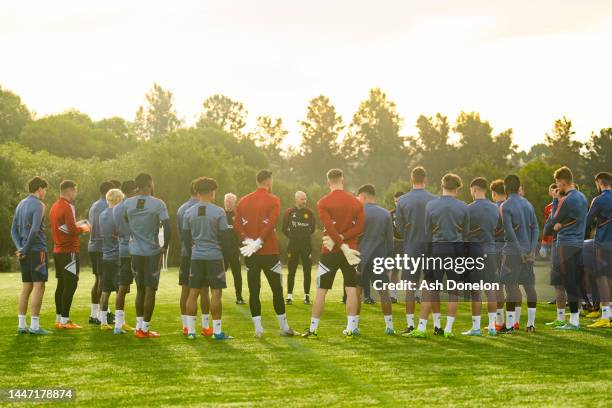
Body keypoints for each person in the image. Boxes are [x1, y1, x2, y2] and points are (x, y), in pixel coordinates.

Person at [234, 169, 298, 338]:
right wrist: (259, 241)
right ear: (269, 181)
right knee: (277, 289)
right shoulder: (274, 199)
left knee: (254, 290)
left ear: (257, 181)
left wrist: (247, 239)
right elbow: (271, 224)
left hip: (250, 253)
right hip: (269, 251)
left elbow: (236, 224)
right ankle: (284, 327)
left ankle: (258, 329)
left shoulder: (243, 200)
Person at [302, 169, 364, 338]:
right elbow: (359, 228)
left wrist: (339, 242)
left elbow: (329, 227)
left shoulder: (323, 202)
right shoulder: (356, 202)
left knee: (321, 290)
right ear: (342, 180)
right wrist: (344, 242)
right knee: (351, 289)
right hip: (351, 251)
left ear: (327, 182)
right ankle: (351, 328)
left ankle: (313, 329)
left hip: (330, 251)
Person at [406, 173, 469, 339]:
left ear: (442, 185)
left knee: (429, 289)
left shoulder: (431, 205)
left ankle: (421, 328)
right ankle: (448, 329)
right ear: (458, 187)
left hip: (436, 249)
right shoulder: (464, 206)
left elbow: (427, 232)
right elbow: (466, 233)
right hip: (457, 251)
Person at [182, 177, 234, 340]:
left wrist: (194, 255)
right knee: (216, 293)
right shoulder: (219, 212)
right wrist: (225, 260)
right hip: (214, 257)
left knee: (193, 293)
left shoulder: (188, 212)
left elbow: (186, 239)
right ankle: (217, 332)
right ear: (212, 192)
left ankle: (191, 331)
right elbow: (226, 240)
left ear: (197, 192)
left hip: (196, 258)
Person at [124, 173, 171, 338]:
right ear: (150, 184)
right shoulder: (158, 204)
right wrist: (164, 246)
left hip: (135, 251)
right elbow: (168, 227)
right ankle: (144, 329)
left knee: (140, 289)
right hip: (152, 252)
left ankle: (139, 326)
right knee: (151, 289)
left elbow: (125, 222)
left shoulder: (127, 203)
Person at [396, 167, 436, 335]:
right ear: (425, 179)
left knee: (410, 287)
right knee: (430, 286)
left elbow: (398, 228)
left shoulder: (403, 200)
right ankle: (430, 324)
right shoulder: (434, 199)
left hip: (411, 247)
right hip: (430, 246)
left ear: (411, 179)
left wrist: (408, 233)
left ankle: (410, 324)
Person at [500, 174, 539, 334]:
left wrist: (520, 251)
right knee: (529, 287)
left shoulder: (505, 205)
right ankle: (530, 324)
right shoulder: (528, 204)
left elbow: (509, 232)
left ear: (506, 188)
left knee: (511, 287)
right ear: (518, 187)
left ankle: (509, 326)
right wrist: (531, 250)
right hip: (528, 252)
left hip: (512, 252)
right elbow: (535, 228)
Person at [11, 176, 51, 335]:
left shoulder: (21, 204)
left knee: (26, 287)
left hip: (24, 251)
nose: (45, 193)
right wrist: (26, 250)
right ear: (40, 189)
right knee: (39, 286)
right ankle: (34, 326)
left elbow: (13, 230)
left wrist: (20, 248)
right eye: (45, 190)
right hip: (37, 250)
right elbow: (34, 230)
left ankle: (21, 325)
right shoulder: (40, 205)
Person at [356, 184, 395, 335]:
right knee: (384, 293)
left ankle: (353, 326)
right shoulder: (385, 214)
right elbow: (390, 241)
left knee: (357, 293)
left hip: (361, 258)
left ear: (364, 196)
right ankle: (389, 327)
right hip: (379, 258)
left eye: (359, 197)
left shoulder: (358, 212)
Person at [49, 180, 88, 329]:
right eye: (75, 190)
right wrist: (84, 228)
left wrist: (77, 225)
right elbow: (71, 229)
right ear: (70, 190)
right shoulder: (68, 206)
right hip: (69, 250)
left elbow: (62, 227)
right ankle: (65, 320)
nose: (76, 193)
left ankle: (59, 319)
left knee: (61, 284)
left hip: (58, 250)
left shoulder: (54, 206)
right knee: (71, 284)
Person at [464, 177, 500, 336]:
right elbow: (498, 229)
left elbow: (464, 232)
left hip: (475, 252)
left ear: (474, 189)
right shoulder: (495, 208)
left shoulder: (469, 208)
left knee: (475, 291)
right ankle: (492, 326)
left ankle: (476, 328)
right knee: (491, 290)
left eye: (471, 190)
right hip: (491, 251)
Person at [177, 181, 207, 335]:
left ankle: (186, 326)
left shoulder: (182, 208)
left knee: (186, 290)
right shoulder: (206, 208)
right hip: (202, 253)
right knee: (203, 290)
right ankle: (206, 326)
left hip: (185, 253)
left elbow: (181, 234)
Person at [584, 172, 611, 328]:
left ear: (599, 183)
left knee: (602, 278)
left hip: (603, 243)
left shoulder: (599, 200)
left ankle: (605, 316)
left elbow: (587, 221)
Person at [112, 180, 138, 334]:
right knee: (142, 288)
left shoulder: (115, 208)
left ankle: (118, 324)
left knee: (122, 287)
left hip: (122, 249)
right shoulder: (134, 205)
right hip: (136, 249)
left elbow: (117, 229)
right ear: (134, 190)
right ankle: (141, 324)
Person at [87, 181, 114, 325]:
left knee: (98, 279)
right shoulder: (105, 206)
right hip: (101, 247)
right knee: (103, 281)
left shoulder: (94, 205)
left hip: (92, 246)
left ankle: (94, 313)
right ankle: (99, 315)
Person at [282, 190, 315, 305]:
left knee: (307, 270)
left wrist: (303, 237)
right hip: (293, 246)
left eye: (305, 199)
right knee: (291, 271)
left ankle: (307, 296)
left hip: (306, 247)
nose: (304, 201)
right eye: (302, 199)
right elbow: (284, 229)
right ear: (296, 199)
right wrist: (293, 237)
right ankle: (289, 296)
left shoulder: (309, 213)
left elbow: (312, 229)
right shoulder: (289, 212)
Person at [99, 188, 125, 331]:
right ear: (119, 199)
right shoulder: (118, 214)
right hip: (118, 256)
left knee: (105, 289)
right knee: (120, 290)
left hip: (106, 255)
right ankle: (120, 322)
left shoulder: (102, 215)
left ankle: (103, 321)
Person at [490, 179, 508, 329]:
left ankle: (499, 322)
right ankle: (512, 321)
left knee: (496, 286)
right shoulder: (511, 206)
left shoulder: (493, 208)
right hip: (511, 248)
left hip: (495, 248)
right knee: (511, 286)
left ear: (494, 193)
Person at [223, 193, 244, 304]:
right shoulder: (220, 214)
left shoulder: (238, 215)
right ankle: (217, 297)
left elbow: (242, 232)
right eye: (227, 201)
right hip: (222, 250)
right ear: (224, 201)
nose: (228, 203)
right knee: (220, 274)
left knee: (237, 274)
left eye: (230, 201)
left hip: (234, 250)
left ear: (234, 203)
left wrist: (241, 245)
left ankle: (239, 297)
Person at [388, 191, 404, 304]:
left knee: (413, 270)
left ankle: (417, 295)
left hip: (408, 244)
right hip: (395, 245)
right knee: (394, 270)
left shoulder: (411, 213)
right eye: (396, 201)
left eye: (400, 201)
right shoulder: (390, 214)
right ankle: (392, 295)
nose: (398, 203)